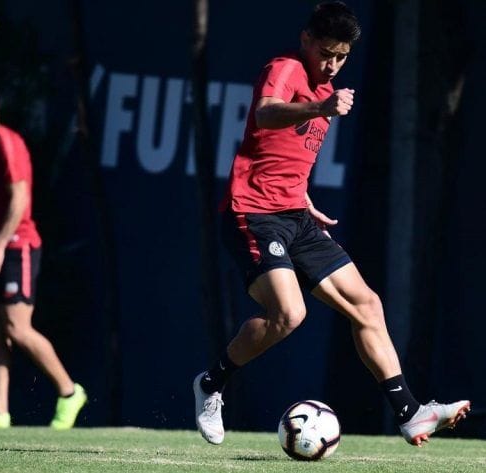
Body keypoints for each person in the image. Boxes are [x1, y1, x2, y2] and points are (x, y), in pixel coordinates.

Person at [193, 1, 469, 447]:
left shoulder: (326, 87)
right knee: (290, 314)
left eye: (342, 56)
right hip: (255, 213)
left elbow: (283, 155)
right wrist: (320, 106)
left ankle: (409, 412)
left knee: (367, 304)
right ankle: (211, 385)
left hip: (296, 218)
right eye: (326, 52)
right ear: (306, 38)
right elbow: (265, 113)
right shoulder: (285, 68)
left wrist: (303, 197)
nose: (333, 64)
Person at [0, 83, 87, 429]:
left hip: (17, 246)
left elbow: (19, 199)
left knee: (17, 327)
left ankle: (70, 392)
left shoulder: (6, 143)